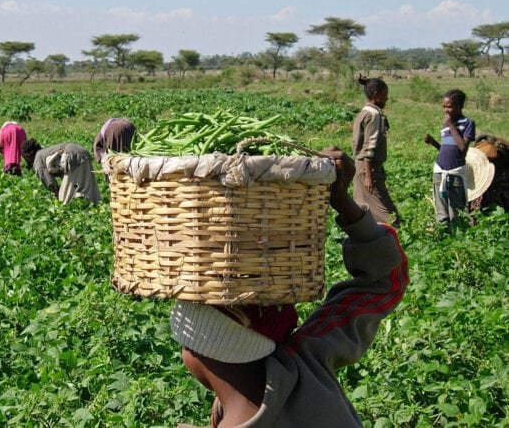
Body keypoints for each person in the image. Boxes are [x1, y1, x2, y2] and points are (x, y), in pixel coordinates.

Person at [171, 147, 409, 427]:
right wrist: (341, 201)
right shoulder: (303, 361)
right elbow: (385, 281)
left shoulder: (304, 358)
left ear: (199, 349)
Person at [352, 76, 401, 228]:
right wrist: (368, 176)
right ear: (376, 94)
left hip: (360, 167)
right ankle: (397, 238)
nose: (387, 98)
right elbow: (369, 146)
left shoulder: (364, 112)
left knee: (363, 209)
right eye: (385, 94)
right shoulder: (374, 115)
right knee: (390, 215)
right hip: (368, 169)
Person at [424, 89, 476, 229]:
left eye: (449, 106)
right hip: (440, 171)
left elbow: (462, 149)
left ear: (459, 106)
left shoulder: (468, 123)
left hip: (455, 173)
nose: (445, 110)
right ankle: (442, 235)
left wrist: (451, 126)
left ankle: (457, 235)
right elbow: (445, 149)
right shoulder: (445, 125)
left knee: (456, 210)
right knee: (441, 210)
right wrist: (434, 142)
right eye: (444, 106)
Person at [21, 139, 101, 205]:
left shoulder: (37, 160)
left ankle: (74, 208)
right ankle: (94, 203)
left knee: (65, 197)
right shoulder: (44, 152)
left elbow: (51, 183)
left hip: (71, 155)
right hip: (82, 152)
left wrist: (56, 195)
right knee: (86, 184)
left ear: (28, 156)